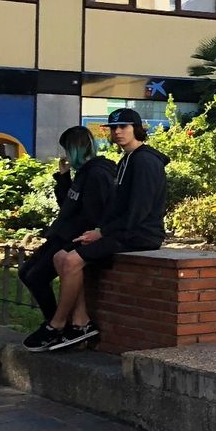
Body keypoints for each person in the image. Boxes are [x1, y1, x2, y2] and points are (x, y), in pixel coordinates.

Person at [30, 109, 167, 353]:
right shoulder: (127, 159)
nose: (117, 132)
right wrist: (100, 230)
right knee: (60, 257)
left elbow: (139, 211)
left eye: (123, 127)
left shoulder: (145, 161)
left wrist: (102, 233)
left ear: (136, 129)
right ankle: (81, 322)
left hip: (140, 235)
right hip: (121, 232)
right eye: (113, 128)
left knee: (71, 260)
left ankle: (56, 324)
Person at [20, 126, 115, 350]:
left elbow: (95, 215)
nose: (65, 156)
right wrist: (63, 178)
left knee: (36, 276)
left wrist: (81, 239)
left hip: (73, 238)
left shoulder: (97, 173)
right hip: (61, 234)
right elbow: (69, 205)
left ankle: (56, 326)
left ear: (74, 149)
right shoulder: (84, 173)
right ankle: (58, 324)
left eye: (66, 150)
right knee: (26, 273)